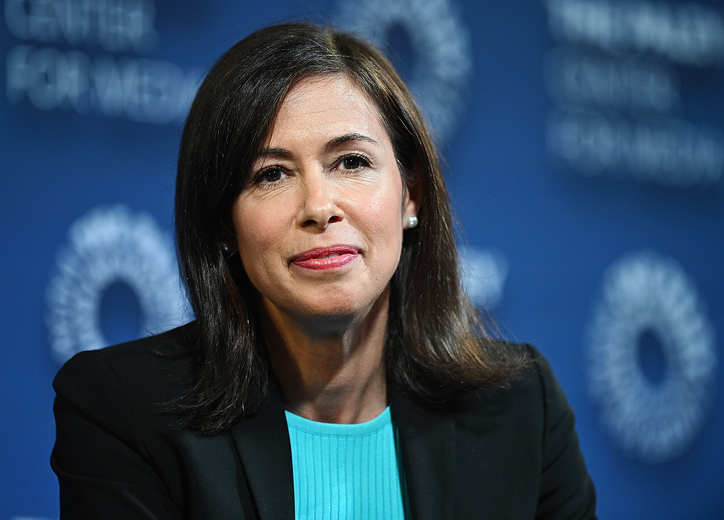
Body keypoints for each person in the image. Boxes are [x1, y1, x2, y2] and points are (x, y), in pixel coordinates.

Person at [51, 22, 597, 519]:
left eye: (351, 162)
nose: (318, 206)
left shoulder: (521, 409)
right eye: (271, 174)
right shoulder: (125, 411)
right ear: (223, 223)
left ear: (411, 196)